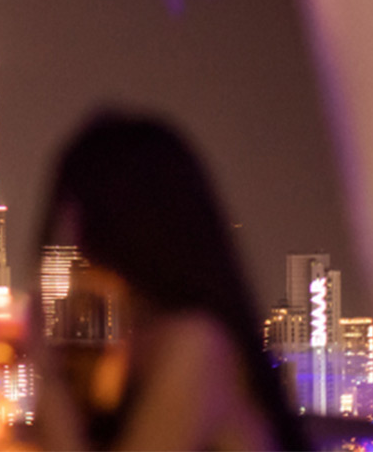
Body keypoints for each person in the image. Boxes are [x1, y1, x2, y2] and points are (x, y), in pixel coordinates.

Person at [34, 112, 308, 451]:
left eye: (78, 219)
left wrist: (44, 375)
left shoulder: (196, 344)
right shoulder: (147, 347)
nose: (73, 243)